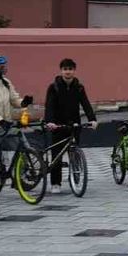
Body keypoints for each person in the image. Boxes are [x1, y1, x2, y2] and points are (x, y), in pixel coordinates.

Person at [43, 58, 98, 195]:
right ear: (61, 71)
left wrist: (92, 119)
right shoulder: (54, 87)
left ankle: (75, 177)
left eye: (70, 69)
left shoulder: (79, 87)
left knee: (75, 152)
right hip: (58, 125)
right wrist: (50, 121)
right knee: (57, 155)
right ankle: (55, 183)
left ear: (74, 71)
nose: (68, 72)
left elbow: (85, 104)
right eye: (65, 69)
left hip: (74, 125)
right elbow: (49, 106)